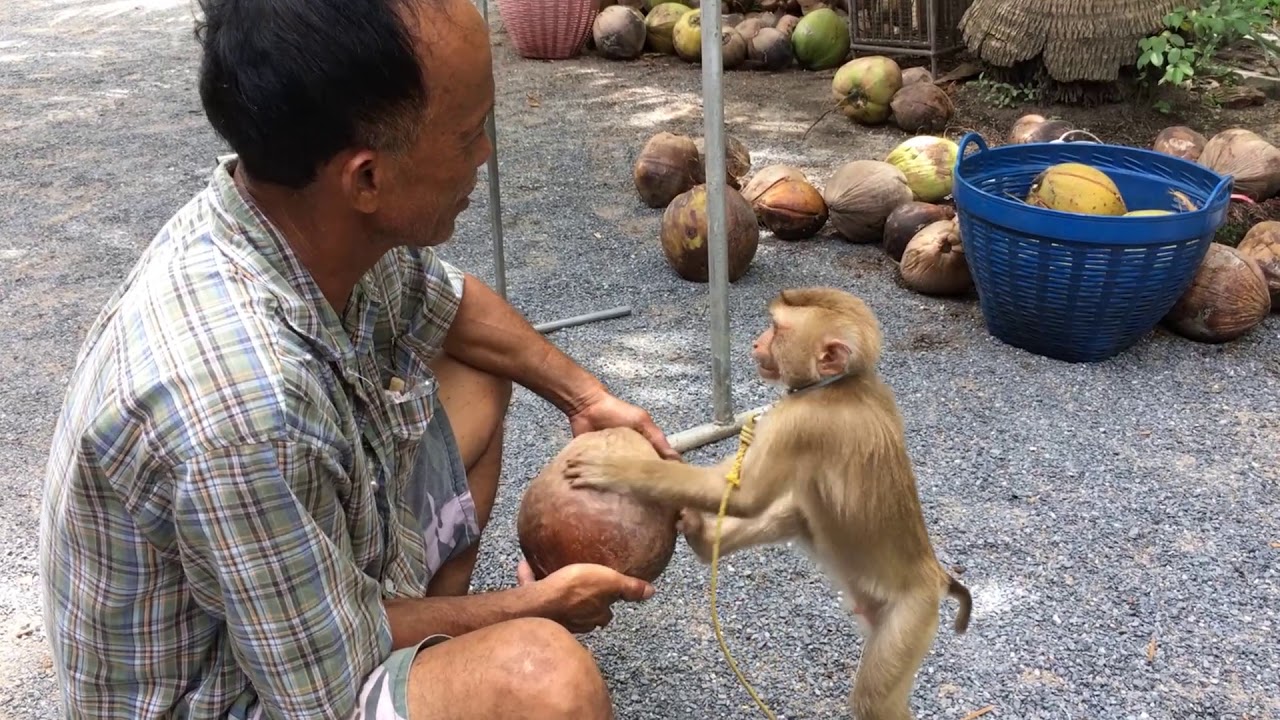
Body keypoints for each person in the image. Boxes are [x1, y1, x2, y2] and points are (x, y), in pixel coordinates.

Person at [36, 0, 682, 717]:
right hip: (235, 692)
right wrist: (532, 608)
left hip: (295, 601)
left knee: (479, 364)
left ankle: (435, 646)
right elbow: (325, 675)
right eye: (470, 133)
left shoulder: (300, 214)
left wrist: (582, 396)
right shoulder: (242, 408)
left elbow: (452, 305)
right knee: (548, 683)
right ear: (366, 180)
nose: (485, 154)